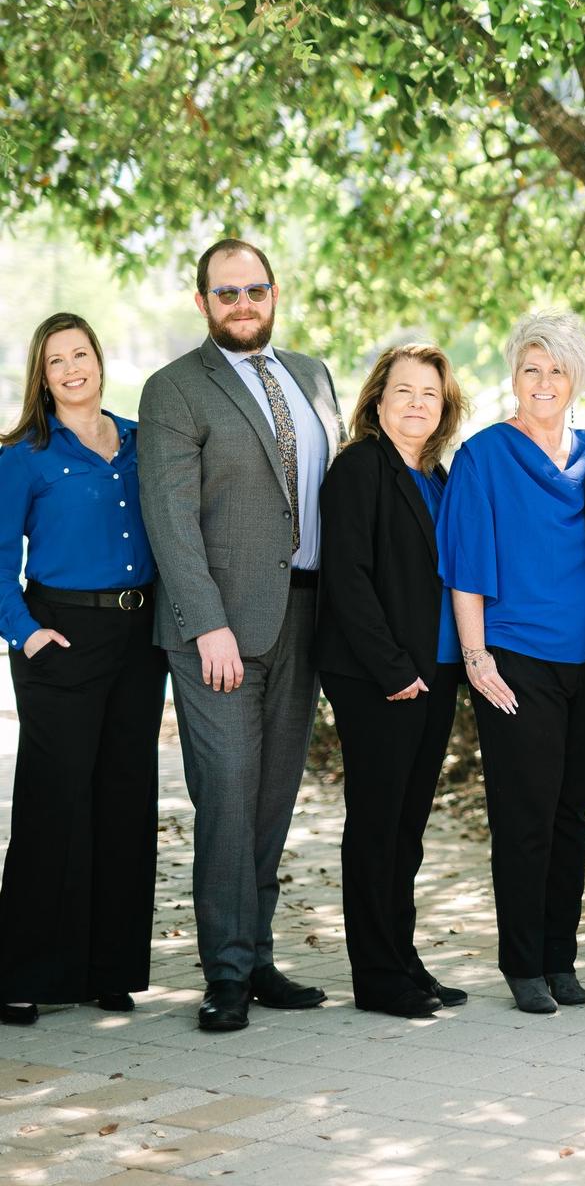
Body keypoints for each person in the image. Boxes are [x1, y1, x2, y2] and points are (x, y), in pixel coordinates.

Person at [139, 238, 345, 1033]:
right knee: (226, 794)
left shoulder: (314, 375)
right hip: (217, 630)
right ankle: (224, 972)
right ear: (202, 303)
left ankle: (257, 955)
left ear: (274, 292)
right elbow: (171, 520)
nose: (242, 304)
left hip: (306, 615)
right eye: (225, 293)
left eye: (253, 289)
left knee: (272, 796)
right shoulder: (174, 389)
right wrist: (208, 625)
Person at [436, 311, 585, 1015]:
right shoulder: (485, 457)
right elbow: (465, 569)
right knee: (526, 814)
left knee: (572, 814)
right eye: (531, 369)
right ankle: (524, 964)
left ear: (576, 379)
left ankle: (562, 957)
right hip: (514, 660)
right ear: (514, 376)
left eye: (557, 370)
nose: (544, 382)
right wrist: (476, 657)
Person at [0, 315, 167, 1027]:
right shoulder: (24, 456)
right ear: (42, 376)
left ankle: (108, 967)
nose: (72, 369)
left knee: (125, 796)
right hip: (62, 635)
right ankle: (21, 972)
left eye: (82, 355)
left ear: (100, 361)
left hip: (139, 636)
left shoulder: (138, 441)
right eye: (56, 360)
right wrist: (27, 634)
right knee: (53, 802)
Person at [316, 343, 471, 1018]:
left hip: (435, 672)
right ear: (378, 399)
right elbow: (346, 579)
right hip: (380, 677)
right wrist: (394, 671)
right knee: (377, 826)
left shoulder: (436, 476)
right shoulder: (359, 468)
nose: (416, 403)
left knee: (407, 828)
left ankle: (403, 958)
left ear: (444, 406)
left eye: (429, 394)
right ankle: (376, 977)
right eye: (403, 390)